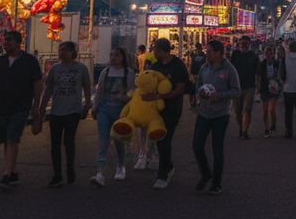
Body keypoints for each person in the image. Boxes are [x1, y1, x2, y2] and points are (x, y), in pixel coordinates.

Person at [0, 30, 43, 188]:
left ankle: (7, 174)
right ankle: (13, 171)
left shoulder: (30, 61)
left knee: (12, 138)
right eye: (4, 40)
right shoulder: (0, 62)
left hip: (20, 106)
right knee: (5, 139)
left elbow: (38, 84)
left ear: (18, 42)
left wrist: (36, 105)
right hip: (2, 106)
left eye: (9, 40)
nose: (6, 43)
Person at [40, 40, 92, 187]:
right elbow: (48, 89)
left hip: (73, 111)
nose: (61, 52)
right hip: (56, 111)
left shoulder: (81, 68)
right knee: (55, 143)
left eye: (65, 50)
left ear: (72, 52)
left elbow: (87, 88)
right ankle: (57, 174)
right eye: (60, 49)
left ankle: (70, 168)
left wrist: (87, 105)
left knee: (68, 141)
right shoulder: (54, 69)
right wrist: (42, 107)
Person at [193, 39, 240, 195]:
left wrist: (218, 96)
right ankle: (206, 173)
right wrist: (199, 97)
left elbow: (236, 91)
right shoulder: (204, 68)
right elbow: (198, 85)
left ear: (219, 53)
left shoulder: (229, 69)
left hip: (221, 114)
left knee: (217, 149)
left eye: (210, 51)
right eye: (207, 51)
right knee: (197, 145)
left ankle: (216, 182)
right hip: (204, 112)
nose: (207, 54)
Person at [145, 37, 189, 189]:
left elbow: (180, 89)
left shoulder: (178, 66)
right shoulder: (155, 66)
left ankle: (162, 175)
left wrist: (160, 96)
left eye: (155, 50)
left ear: (162, 50)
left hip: (172, 109)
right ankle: (168, 166)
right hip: (157, 109)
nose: (153, 52)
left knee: (164, 138)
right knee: (159, 139)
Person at [90, 47, 135, 186]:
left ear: (123, 57)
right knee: (103, 140)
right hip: (104, 108)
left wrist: (123, 98)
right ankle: (100, 172)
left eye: (116, 55)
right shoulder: (105, 72)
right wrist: (95, 107)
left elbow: (132, 92)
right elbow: (100, 91)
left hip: (120, 110)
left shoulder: (129, 73)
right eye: (111, 55)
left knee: (118, 140)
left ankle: (120, 165)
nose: (113, 58)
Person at [229, 36, 259, 139]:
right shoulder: (235, 54)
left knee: (247, 109)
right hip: (237, 87)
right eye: (241, 43)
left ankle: (245, 131)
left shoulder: (254, 56)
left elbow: (257, 73)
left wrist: (257, 86)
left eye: (245, 43)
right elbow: (230, 70)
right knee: (237, 111)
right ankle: (241, 127)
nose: (243, 45)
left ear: (249, 44)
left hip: (249, 87)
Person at [281, 39, 296, 138]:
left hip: (287, 89)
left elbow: (282, 72)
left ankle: (289, 130)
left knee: (288, 111)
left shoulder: (284, 58)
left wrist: (284, 81)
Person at [258, 44, 281, 136]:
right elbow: (259, 76)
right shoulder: (262, 64)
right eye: (267, 53)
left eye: (270, 52)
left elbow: (280, 75)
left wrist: (278, 84)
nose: (269, 54)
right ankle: (266, 129)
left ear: (273, 53)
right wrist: (258, 87)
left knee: (271, 109)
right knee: (265, 111)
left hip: (274, 88)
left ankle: (273, 125)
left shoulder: (277, 63)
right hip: (264, 88)